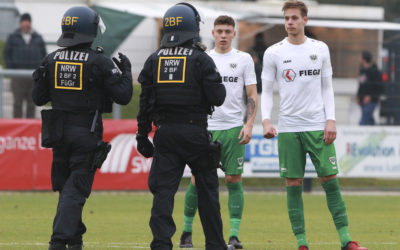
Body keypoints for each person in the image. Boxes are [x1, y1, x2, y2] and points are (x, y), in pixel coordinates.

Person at [261, 1, 367, 250]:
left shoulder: (320, 49)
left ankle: (346, 240)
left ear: (305, 20)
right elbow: (266, 90)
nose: (290, 22)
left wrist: (331, 119)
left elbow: (326, 87)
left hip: (318, 126)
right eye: (286, 18)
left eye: (294, 18)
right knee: (293, 184)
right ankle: (301, 243)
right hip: (288, 128)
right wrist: (266, 119)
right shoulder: (273, 52)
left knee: (330, 180)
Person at [32, 6, 132, 250]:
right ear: (89, 29)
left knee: (66, 190)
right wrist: (126, 72)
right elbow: (123, 96)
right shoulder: (99, 60)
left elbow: (37, 97)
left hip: (57, 134)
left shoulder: (51, 59)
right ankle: (58, 242)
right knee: (75, 192)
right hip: (85, 133)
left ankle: (75, 242)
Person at [136, 3, 234, 250]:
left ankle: (160, 243)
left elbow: (145, 102)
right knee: (208, 191)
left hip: (165, 133)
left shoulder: (153, 60)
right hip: (195, 133)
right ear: (193, 27)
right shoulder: (201, 59)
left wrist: (141, 134)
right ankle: (214, 244)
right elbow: (218, 97)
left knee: (163, 192)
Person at [179, 15, 258, 249]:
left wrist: (249, 124)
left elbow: (251, 95)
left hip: (234, 128)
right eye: (219, 31)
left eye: (227, 31)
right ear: (212, 33)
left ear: (234, 34)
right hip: (206, 129)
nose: (223, 35)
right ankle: (186, 233)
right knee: (196, 181)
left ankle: (234, 235)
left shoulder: (243, 60)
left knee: (234, 180)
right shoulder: (203, 59)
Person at [3, 12, 47, 118]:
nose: (26, 24)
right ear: (20, 23)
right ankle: (16, 129)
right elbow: (6, 54)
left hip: (33, 77)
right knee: (17, 104)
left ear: (30, 23)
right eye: (24, 22)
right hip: (17, 77)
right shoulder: (13, 37)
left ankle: (29, 130)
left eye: (28, 22)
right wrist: (12, 70)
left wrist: (39, 72)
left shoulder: (38, 38)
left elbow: (44, 55)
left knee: (31, 104)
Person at [357, 51, 384, 125]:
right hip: (363, 101)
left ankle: (360, 135)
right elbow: (361, 85)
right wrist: (358, 96)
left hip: (372, 101)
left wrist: (370, 97)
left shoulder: (375, 72)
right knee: (369, 121)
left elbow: (379, 88)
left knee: (363, 121)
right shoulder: (362, 71)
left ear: (364, 59)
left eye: (360, 57)